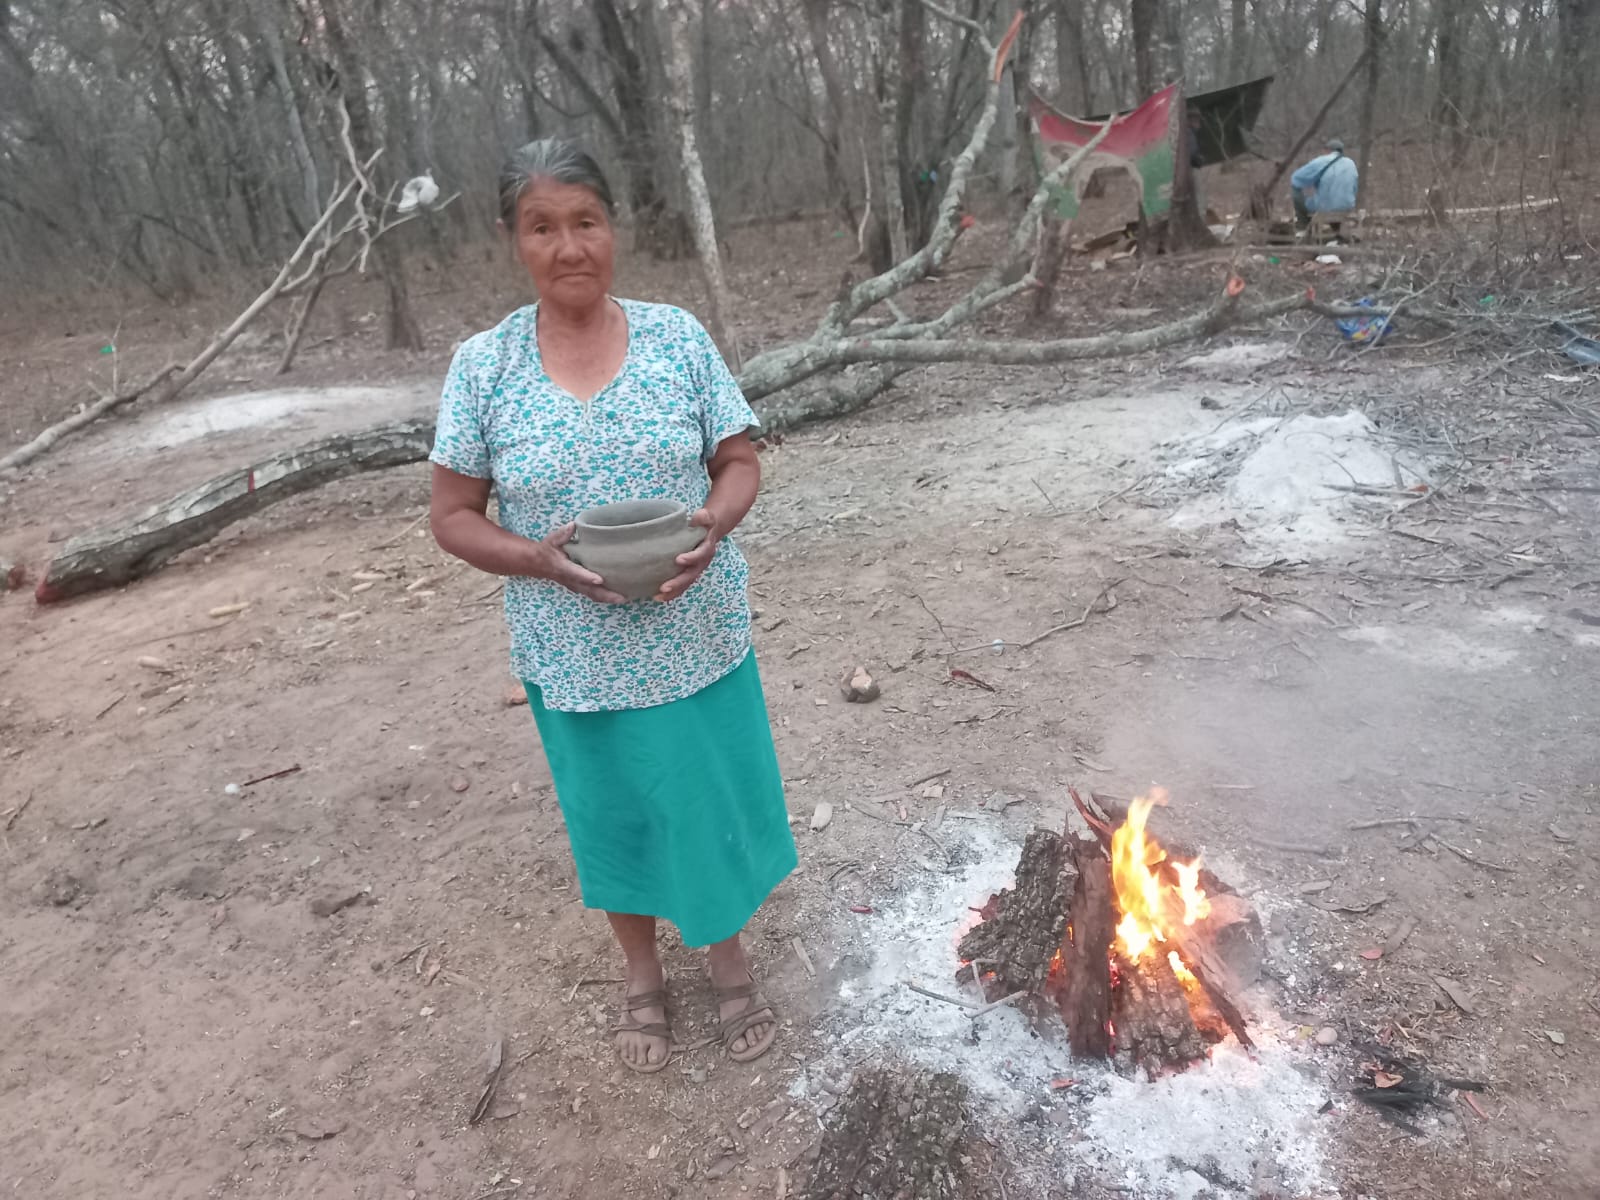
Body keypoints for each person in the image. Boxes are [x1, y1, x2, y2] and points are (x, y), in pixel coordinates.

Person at [428, 137, 798, 1074]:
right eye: (542, 227)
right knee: (614, 811)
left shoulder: (676, 337)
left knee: (703, 797)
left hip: (693, 628)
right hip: (572, 647)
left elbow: (739, 459)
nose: (569, 246)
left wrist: (713, 521)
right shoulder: (485, 366)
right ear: (515, 240)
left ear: (614, 228)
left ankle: (725, 960)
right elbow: (452, 516)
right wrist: (536, 560)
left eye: (585, 221)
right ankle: (641, 975)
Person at [1289, 137, 1359, 239]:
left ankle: (1302, 229)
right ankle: (1337, 233)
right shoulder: (1350, 163)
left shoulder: (1322, 161)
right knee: (1335, 199)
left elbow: (1296, 178)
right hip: (1347, 207)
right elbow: (1354, 187)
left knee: (1297, 191)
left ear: (1327, 150)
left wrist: (1309, 183)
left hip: (1325, 208)